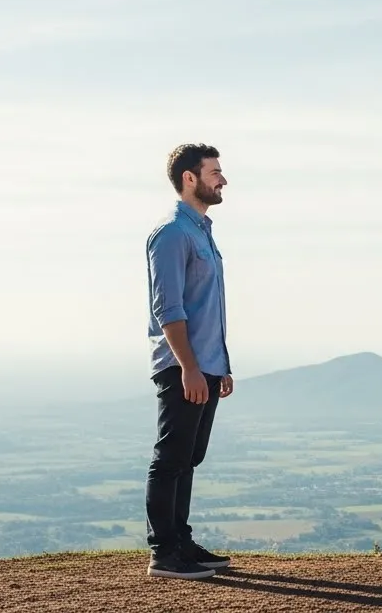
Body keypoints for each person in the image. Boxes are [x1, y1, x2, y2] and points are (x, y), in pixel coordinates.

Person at [143, 143, 235, 580]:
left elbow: (208, 307)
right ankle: (164, 553)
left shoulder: (202, 231)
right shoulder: (172, 233)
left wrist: (219, 366)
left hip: (206, 366)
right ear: (189, 178)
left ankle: (181, 542)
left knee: (189, 457)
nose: (223, 180)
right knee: (171, 457)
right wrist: (190, 368)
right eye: (214, 172)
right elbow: (169, 309)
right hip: (184, 367)